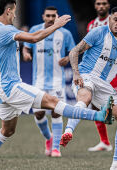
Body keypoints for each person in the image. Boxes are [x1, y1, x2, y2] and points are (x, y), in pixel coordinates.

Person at [0, 1, 112, 169]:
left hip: (2, 89)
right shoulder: (6, 30)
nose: (16, 15)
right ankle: (98, 116)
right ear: (8, 11)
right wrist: (57, 25)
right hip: (11, 87)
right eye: (14, 12)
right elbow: (34, 38)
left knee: (7, 131)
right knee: (53, 102)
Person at [61, 6, 117, 170]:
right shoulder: (98, 32)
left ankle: (116, 164)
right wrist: (76, 73)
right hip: (87, 74)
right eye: (116, 19)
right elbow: (75, 51)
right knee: (85, 97)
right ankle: (68, 130)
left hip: (104, 84)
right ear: (110, 19)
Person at [76, 0, 117, 152]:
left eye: (104, 3)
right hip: (95, 73)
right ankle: (104, 141)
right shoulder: (92, 25)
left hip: (114, 72)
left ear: (108, 6)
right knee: (93, 103)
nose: (101, 6)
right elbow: (86, 49)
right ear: (95, 6)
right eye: (98, 3)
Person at [23, 6, 76, 157]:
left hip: (57, 81)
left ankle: (55, 148)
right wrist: (25, 54)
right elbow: (26, 47)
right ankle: (49, 138)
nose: (51, 18)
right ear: (43, 16)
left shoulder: (64, 33)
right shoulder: (35, 29)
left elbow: (73, 51)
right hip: (38, 81)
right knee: (39, 114)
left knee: (56, 112)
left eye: (54, 16)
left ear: (57, 16)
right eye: (48, 16)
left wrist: (67, 58)